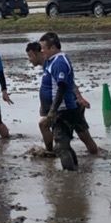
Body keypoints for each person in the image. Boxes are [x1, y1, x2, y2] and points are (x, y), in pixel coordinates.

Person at [26, 42, 99, 155]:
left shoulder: (53, 63)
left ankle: (51, 152)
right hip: (63, 105)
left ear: (37, 54)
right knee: (82, 133)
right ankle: (93, 153)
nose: (29, 59)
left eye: (30, 56)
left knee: (81, 134)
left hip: (68, 105)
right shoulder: (48, 65)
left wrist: (79, 98)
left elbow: (68, 83)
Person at [37, 32, 82, 171]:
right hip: (58, 110)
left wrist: (52, 111)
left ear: (53, 47)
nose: (41, 51)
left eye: (43, 48)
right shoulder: (51, 61)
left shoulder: (60, 62)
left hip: (64, 110)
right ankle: (76, 171)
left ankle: (70, 178)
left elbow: (62, 87)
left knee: (61, 147)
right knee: (64, 145)